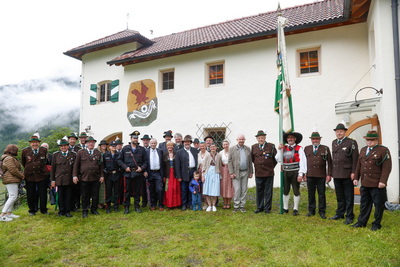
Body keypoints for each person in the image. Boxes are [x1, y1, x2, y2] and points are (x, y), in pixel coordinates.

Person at [351, 130, 392, 231]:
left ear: (376, 140)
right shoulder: (363, 150)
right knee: (364, 204)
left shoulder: (383, 150)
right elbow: (359, 166)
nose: (369, 142)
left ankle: (376, 224)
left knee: (378, 205)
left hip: (377, 183)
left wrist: (383, 181)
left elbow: (387, 167)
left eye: (371, 140)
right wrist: (356, 177)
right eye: (367, 140)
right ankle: (361, 222)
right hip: (365, 183)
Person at [330, 123, 359, 224]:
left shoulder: (351, 142)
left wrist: (354, 172)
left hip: (347, 173)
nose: (339, 133)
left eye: (341, 131)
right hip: (337, 173)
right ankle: (340, 213)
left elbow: (355, 159)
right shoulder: (334, 143)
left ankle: (349, 215)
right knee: (339, 195)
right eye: (337, 131)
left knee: (348, 196)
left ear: (345, 132)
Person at [73, 136, 104, 218]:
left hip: (95, 177)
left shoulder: (98, 153)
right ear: (86, 143)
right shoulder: (80, 152)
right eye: (89, 142)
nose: (91, 144)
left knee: (95, 195)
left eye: (92, 142)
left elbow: (101, 165)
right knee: (85, 195)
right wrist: (75, 175)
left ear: (94, 144)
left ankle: (94, 209)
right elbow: (76, 165)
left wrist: (101, 176)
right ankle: (85, 210)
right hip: (84, 177)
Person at [276, 132, 307, 216]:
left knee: (296, 190)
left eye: (292, 137)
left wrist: (301, 174)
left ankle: (295, 209)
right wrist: (279, 150)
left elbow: (303, 162)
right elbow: (278, 159)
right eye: (288, 137)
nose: (290, 139)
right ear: (286, 139)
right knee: (285, 190)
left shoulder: (299, 148)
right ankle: (285, 208)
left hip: (295, 172)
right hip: (286, 172)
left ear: (295, 139)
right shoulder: (283, 148)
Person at [117, 130, 148, 214]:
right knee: (127, 191)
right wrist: (125, 167)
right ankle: (126, 207)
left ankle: (137, 206)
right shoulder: (125, 149)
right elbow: (119, 160)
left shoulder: (141, 149)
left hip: (138, 173)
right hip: (128, 173)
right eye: (134, 138)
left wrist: (142, 168)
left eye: (136, 138)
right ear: (131, 138)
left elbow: (146, 161)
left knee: (137, 191)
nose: (135, 139)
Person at [304, 132, 332, 219]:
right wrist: (304, 174)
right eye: (313, 139)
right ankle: (311, 210)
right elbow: (303, 163)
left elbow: (330, 163)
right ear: (311, 140)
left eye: (317, 139)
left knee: (321, 194)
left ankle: (322, 211)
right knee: (311, 194)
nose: (315, 140)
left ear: (320, 139)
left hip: (321, 175)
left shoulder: (325, 148)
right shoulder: (307, 149)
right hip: (310, 175)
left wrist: (329, 174)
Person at [21, 134, 49, 215]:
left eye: (36, 142)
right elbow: (23, 162)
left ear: (39, 143)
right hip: (30, 176)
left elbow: (46, 161)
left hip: (42, 175)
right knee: (30, 194)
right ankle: (32, 210)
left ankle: (43, 209)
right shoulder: (25, 151)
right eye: (33, 143)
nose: (35, 144)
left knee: (43, 194)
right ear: (30, 143)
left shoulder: (44, 150)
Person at [251, 130, 277, 214]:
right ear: (257, 139)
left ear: (265, 138)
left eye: (262, 138)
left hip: (268, 172)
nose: (260, 139)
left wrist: (270, 166)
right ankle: (259, 207)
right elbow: (252, 159)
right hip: (258, 172)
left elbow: (275, 159)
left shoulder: (271, 146)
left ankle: (267, 208)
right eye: (259, 138)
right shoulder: (254, 147)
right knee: (259, 190)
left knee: (268, 191)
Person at [51, 139, 76, 217]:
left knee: (68, 196)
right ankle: (61, 211)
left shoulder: (73, 154)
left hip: (69, 179)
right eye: (61, 146)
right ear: (60, 147)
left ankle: (67, 211)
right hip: (59, 179)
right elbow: (53, 169)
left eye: (65, 146)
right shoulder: (55, 155)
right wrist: (52, 180)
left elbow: (75, 168)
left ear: (68, 146)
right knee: (61, 196)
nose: (63, 147)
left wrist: (74, 177)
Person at [228, 134, 253, 212]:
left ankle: (242, 206)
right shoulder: (232, 149)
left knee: (244, 189)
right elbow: (229, 161)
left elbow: (250, 161)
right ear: (237, 140)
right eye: (240, 139)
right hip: (236, 172)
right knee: (237, 189)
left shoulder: (248, 149)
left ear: (244, 140)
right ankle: (236, 206)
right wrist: (231, 172)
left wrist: (251, 172)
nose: (241, 141)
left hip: (246, 171)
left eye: (243, 139)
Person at [0, 144, 24, 222]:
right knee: (13, 196)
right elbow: (13, 169)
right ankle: (2, 215)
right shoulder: (9, 158)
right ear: (13, 150)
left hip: (11, 179)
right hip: (10, 179)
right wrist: (22, 176)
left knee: (12, 196)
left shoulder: (7, 158)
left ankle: (9, 213)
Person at [175, 135, 199, 210]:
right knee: (184, 189)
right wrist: (178, 176)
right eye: (185, 142)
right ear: (183, 143)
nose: (187, 143)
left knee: (192, 189)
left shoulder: (195, 150)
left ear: (190, 143)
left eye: (188, 142)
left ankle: (191, 203)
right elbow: (177, 165)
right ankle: (184, 204)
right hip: (184, 173)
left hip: (193, 172)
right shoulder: (179, 152)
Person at [144, 138, 165, 211]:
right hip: (150, 173)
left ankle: (161, 204)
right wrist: (145, 171)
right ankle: (153, 204)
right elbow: (144, 162)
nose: (153, 144)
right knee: (151, 190)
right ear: (150, 144)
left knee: (159, 189)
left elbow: (163, 163)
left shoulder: (160, 151)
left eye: (154, 143)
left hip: (158, 173)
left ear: (156, 144)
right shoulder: (146, 151)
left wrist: (163, 175)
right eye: (152, 143)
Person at [202, 143, 222, 212]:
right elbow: (204, 165)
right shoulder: (207, 155)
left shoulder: (219, 155)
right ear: (209, 148)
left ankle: (213, 205)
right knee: (207, 189)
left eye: (214, 147)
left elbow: (220, 164)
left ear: (216, 147)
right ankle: (209, 205)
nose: (213, 148)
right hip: (208, 173)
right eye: (211, 147)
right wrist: (203, 175)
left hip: (216, 173)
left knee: (215, 189)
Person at [103, 141, 121, 213]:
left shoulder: (119, 154)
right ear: (109, 147)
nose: (114, 147)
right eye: (112, 146)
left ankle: (116, 206)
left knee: (117, 192)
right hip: (108, 175)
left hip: (117, 174)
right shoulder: (105, 155)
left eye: (115, 145)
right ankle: (108, 207)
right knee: (108, 192)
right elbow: (103, 165)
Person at [163, 141, 182, 208]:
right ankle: (169, 204)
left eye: (171, 145)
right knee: (168, 189)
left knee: (175, 189)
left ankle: (176, 204)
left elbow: (179, 165)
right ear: (166, 147)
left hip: (175, 173)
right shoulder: (164, 155)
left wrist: (179, 175)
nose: (170, 147)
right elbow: (163, 166)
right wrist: (164, 176)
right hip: (168, 174)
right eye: (168, 146)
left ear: (173, 147)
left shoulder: (177, 154)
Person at [219, 140, 234, 209]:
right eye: (224, 144)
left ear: (228, 144)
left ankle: (229, 203)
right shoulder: (220, 153)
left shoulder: (232, 152)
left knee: (229, 186)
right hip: (223, 170)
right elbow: (218, 161)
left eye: (226, 144)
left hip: (230, 170)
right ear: (222, 146)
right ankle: (224, 202)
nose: (225, 146)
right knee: (224, 186)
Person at [197, 141, 209, 210]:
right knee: (199, 187)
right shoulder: (198, 154)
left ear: (205, 146)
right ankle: (200, 202)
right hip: (199, 172)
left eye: (203, 146)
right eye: (201, 146)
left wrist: (204, 173)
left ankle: (206, 203)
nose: (202, 147)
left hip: (205, 172)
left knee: (205, 187)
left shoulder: (208, 154)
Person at [97, 140, 108, 209]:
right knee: (100, 189)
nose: (104, 146)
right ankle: (100, 203)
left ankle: (106, 202)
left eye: (105, 145)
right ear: (100, 146)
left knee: (107, 189)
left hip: (108, 173)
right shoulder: (98, 153)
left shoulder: (108, 153)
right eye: (102, 145)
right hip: (100, 173)